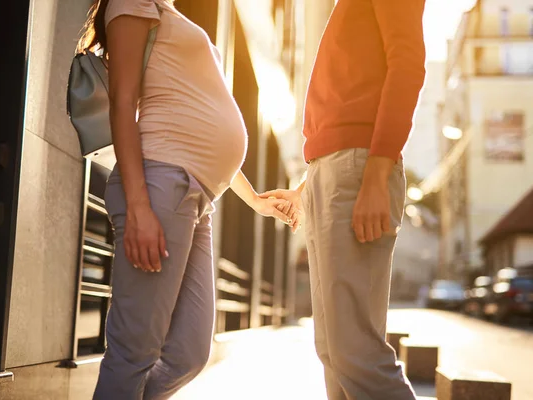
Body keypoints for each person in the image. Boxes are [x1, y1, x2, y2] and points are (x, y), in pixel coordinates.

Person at [76, 0, 296, 398]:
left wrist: (255, 201)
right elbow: (124, 106)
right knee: (133, 352)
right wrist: (139, 208)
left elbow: (201, 124)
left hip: (193, 196)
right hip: (159, 186)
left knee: (190, 352)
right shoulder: (133, 3)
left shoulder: (167, 10)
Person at [261, 1, 427, 399]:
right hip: (332, 169)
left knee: (354, 351)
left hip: (360, 167)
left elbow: (408, 66)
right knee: (334, 352)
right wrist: (311, 183)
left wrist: (375, 175)